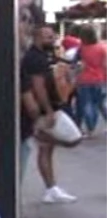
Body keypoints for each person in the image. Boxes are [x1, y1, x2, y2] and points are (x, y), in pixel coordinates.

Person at [22, 24, 78, 204]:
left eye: (52, 36)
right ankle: (51, 188)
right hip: (45, 108)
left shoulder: (44, 55)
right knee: (71, 139)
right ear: (37, 37)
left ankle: (51, 188)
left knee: (47, 149)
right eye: (48, 37)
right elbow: (38, 86)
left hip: (50, 106)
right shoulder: (35, 58)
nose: (52, 40)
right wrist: (47, 111)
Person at [75, 26, 107, 134]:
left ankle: (91, 126)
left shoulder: (81, 48)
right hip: (100, 79)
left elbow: (75, 63)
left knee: (87, 104)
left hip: (84, 80)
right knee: (100, 103)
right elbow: (105, 65)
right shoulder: (102, 48)